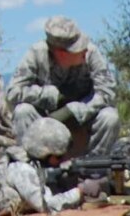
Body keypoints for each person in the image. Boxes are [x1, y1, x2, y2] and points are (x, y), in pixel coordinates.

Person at [6, 16, 119, 163]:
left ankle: (95, 170)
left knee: (109, 117)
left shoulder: (91, 53)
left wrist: (77, 110)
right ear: (61, 53)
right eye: (78, 50)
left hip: (84, 118)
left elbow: (108, 92)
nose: (84, 51)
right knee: (23, 111)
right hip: (46, 120)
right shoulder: (36, 54)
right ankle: (32, 168)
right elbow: (13, 92)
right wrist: (50, 96)